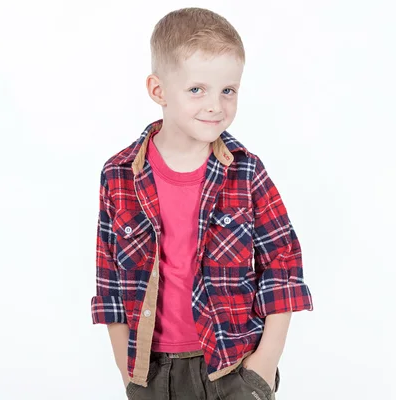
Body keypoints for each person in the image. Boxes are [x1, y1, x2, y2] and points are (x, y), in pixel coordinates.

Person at [90, 7, 314, 399]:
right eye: (197, 89)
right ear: (158, 90)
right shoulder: (119, 175)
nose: (215, 105)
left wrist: (262, 367)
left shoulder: (246, 172)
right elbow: (109, 284)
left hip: (232, 367)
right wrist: (129, 377)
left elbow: (283, 267)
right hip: (152, 372)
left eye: (228, 90)